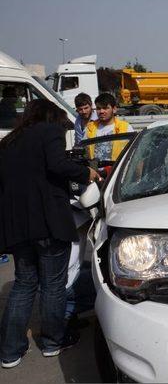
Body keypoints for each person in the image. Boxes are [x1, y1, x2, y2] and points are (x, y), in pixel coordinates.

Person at [0, 99, 100, 368]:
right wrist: (86, 173)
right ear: (50, 116)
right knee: (53, 286)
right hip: (49, 224)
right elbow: (57, 165)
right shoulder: (49, 132)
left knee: (23, 285)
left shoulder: (9, 142)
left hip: (17, 228)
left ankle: (10, 351)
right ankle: (53, 342)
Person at [83, 93, 133, 162]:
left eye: (105, 108)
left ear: (114, 109)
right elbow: (84, 153)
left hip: (116, 171)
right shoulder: (89, 128)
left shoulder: (125, 128)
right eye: (98, 108)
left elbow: (133, 153)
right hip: (95, 171)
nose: (101, 111)